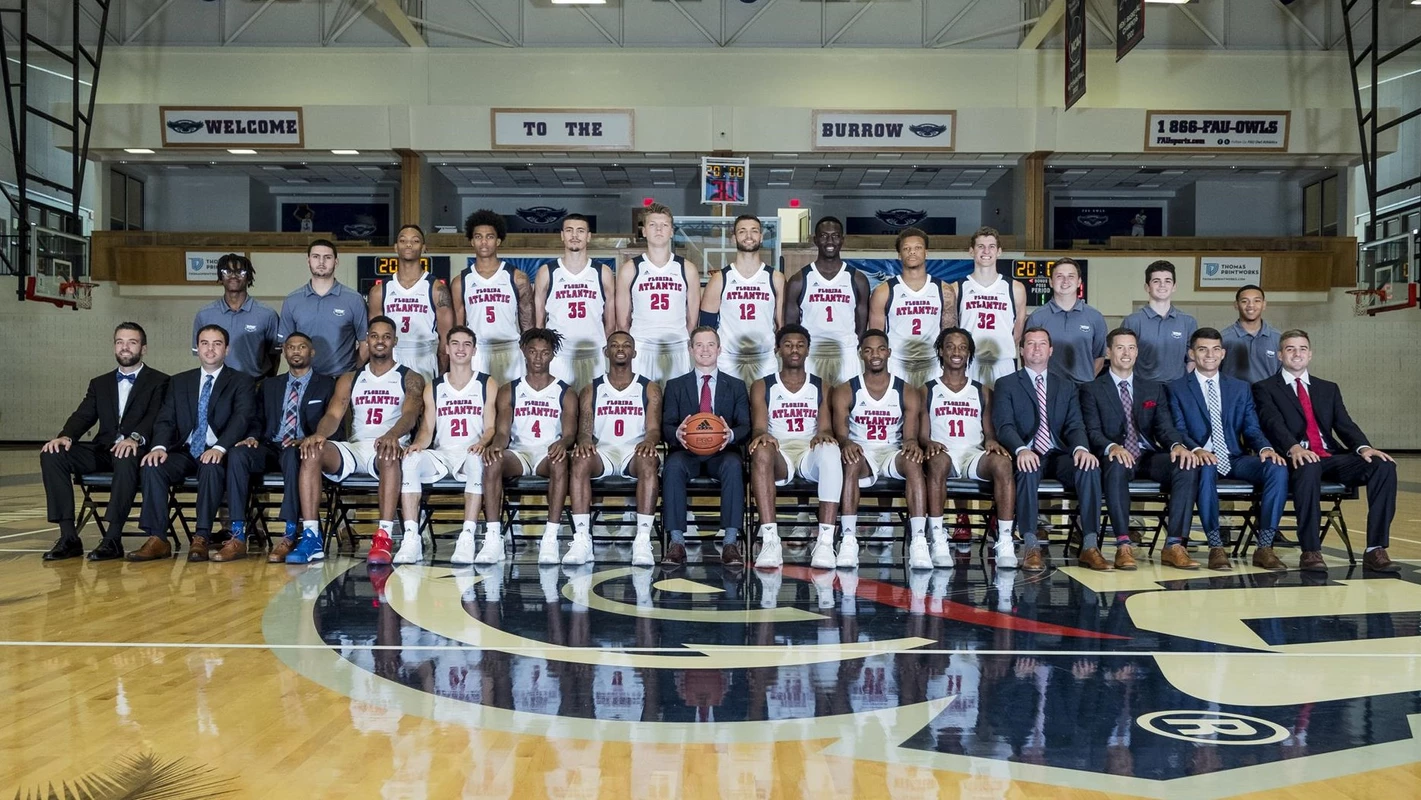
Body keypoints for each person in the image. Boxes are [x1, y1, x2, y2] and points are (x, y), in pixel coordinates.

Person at [1252, 330, 1398, 572]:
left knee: (1383, 466)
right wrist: (1294, 447)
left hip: (1331, 457)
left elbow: (1345, 424)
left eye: (1302, 349)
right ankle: (1311, 551)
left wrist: (1364, 447)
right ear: (1279, 355)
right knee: (1308, 465)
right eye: (1290, 349)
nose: (1296, 353)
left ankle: (1375, 549)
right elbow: (1272, 422)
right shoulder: (1265, 388)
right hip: (1294, 458)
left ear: (1310, 355)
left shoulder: (1327, 388)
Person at [294, 316, 426, 565]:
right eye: (375, 336)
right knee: (312, 452)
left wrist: (392, 435)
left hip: (388, 448)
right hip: (355, 448)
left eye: (386, 337)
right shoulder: (350, 378)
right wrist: (320, 435)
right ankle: (311, 536)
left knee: (388, 453)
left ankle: (384, 536)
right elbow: (334, 414)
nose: (380, 341)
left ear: (394, 341)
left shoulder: (409, 377)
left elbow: (410, 415)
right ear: (367, 340)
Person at [39, 323, 170, 561]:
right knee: (52, 454)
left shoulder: (160, 381)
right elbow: (83, 415)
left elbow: (156, 417)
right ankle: (69, 536)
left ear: (144, 348)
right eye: (120, 342)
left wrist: (134, 438)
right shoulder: (100, 383)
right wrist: (66, 436)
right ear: (114, 347)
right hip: (103, 449)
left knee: (126, 454)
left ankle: (112, 538)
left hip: (137, 451)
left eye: (132, 342)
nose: (125, 347)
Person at [1080, 328, 1200, 571]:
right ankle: (1123, 545)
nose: (1126, 353)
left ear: (1137, 352)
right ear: (1108, 351)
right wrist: (1112, 446)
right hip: (1114, 456)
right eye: (1121, 348)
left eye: (1131, 348)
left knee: (1186, 465)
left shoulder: (1152, 388)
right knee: (1116, 463)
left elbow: (1164, 427)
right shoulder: (1091, 389)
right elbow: (1092, 431)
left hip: (1147, 456)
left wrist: (1177, 446)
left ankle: (1174, 545)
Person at [1168, 328, 1288, 571]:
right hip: (1201, 457)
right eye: (1202, 349)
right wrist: (1197, 449)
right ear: (1192, 353)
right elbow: (1178, 429)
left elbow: (1251, 427)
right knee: (1207, 465)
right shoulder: (1176, 388)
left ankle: (1264, 547)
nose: (1209, 355)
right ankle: (1216, 546)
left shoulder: (1239, 388)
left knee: (1277, 467)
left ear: (1223, 354)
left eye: (1215, 350)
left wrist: (1265, 447)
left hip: (1235, 457)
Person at [134, 325, 256, 563]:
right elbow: (166, 419)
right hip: (184, 451)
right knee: (152, 465)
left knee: (211, 466)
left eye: (217, 344)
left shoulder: (242, 381)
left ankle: (201, 537)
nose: (210, 349)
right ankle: (158, 537)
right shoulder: (179, 381)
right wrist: (158, 447)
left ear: (227, 349)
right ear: (196, 348)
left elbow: (241, 418)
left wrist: (220, 448)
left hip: (218, 451)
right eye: (204, 343)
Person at [990, 328, 1102, 572]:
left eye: (1042, 344)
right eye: (1030, 344)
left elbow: (1075, 425)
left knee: (1089, 466)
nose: (1037, 348)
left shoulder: (1066, 386)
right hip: (1027, 453)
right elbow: (1004, 425)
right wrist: (1020, 449)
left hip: (1058, 454)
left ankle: (1090, 545)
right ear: (1021, 350)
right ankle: (1031, 545)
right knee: (1028, 469)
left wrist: (1081, 448)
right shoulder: (1006, 384)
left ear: (1051, 350)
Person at [228, 332, 336, 563]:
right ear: (284, 352)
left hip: (303, 448)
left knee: (292, 454)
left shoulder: (327, 384)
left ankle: (290, 534)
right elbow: (256, 419)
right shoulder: (269, 385)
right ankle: (237, 533)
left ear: (312, 352)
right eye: (291, 347)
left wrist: (310, 438)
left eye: (302, 347)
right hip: (270, 445)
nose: (296, 351)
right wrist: (251, 437)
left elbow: (332, 423)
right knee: (237, 454)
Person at [477, 328, 578, 565]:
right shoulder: (509, 390)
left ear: (552, 355)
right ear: (524, 351)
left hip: (547, 454)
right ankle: (493, 537)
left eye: (544, 353)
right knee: (492, 461)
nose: (538, 358)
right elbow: (502, 432)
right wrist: (496, 446)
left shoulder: (565, 392)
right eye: (533, 351)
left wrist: (562, 443)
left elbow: (570, 434)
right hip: (519, 453)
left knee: (560, 460)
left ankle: (550, 537)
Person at [398, 325, 497, 565]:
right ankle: (411, 538)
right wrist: (417, 445)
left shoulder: (487, 383)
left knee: (476, 461)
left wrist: (482, 443)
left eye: (466, 344)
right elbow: (427, 430)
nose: (460, 349)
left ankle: (467, 537)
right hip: (442, 454)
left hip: (470, 453)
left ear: (474, 350)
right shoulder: (434, 387)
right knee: (410, 460)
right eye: (455, 343)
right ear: (446, 348)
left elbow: (491, 427)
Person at [746, 324, 842, 570]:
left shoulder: (822, 386)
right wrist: (763, 437)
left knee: (831, 449)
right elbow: (758, 428)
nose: (794, 350)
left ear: (808, 350)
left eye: (800, 345)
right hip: (780, 453)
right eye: (788, 345)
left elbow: (826, 429)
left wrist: (824, 435)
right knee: (761, 447)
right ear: (778, 350)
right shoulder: (763, 385)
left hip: (809, 453)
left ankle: (824, 542)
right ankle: (770, 541)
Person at [831, 330, 928, 570]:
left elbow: (910, 437)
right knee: (850, 460)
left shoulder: (906, 390)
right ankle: (849, 539)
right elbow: (841, 434)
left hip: (891, 453)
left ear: (889, 353)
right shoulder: (846, 389)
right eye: (868, 350)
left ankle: (919, 540)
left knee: (914, 462)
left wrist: (912, 444)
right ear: (860, 354)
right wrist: (846, 443)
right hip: (861, 454)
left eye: (880, 349)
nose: (875, 355)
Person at [921, 328, 1016, 568]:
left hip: (973, 455)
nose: (956, 351)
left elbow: (990, 433)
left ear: (970, 353)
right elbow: (921, 434)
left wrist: (992, 442)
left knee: (1003, 463)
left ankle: (1005, 540)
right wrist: (928, 443)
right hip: (944, 455)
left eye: (963, 347)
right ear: (941, 352)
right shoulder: (927, 389)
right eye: (950, 346)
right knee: (938, 461)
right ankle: (938, 537)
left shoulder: (982, 390)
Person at [660, 327, 752, 569]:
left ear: (719, 349)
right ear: (690, 350)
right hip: (686, 451)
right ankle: (677, 542)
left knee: (734, 465)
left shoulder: (736, 386)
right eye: (699, 345)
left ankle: (731, 543)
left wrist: (730, 434)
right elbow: (666, 425)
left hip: (722, 452)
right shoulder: (675, 385)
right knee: (672, 466)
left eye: (710, 344)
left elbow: (746, 426)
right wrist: (676, 433)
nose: (705, 350)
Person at [569, 331, 663, 567]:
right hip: (605, 452)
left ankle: (642, 540)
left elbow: (653, 429)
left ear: (634, 352)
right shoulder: (591, 389)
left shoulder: (649, 388)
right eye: (614, 345)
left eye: (626, 345)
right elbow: (584, 430)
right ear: (606, 352)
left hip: (635, 451)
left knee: (650, 460)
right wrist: (584, 441)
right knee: (579, 459)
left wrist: (650, 442)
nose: (620, 349)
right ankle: (582, 539)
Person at [616, 203, 701, 385]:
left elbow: (693, 319)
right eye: (653, 225)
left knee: (675, 408)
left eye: (664, 225)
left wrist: (682, 341)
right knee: (644, 405)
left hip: (677, 347)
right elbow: (622, 321)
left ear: (671, 231)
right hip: (642, 347)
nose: (659, 229)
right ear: (644, 231)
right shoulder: (630, 269)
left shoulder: (687, 269)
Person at [700, 214, 784, 387]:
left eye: (754, 231)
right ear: (733, 239)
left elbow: (782, 324)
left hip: (764, 360)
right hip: (729, 359)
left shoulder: (775, 278)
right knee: (728, 413)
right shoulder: (719, 279)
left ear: (761, 238)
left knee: (763, 412)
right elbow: (706, 326)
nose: (748, 236)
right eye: (742, 231)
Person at [784, 216, 869, 386]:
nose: (830, 241)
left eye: (835, 236)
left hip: (846, 353)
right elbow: (791, 325)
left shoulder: (857, 279)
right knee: (814, 408)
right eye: (823, 236)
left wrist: (850, 345)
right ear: (815, 240)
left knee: (846, 408)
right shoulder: (799, 279)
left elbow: (862, 323)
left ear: (842, 240)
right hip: (813, 352)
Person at [535, 213, 615, 390]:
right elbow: (539, 321)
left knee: (591, 410)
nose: (574, 236)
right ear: (562, 236)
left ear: (588, 236)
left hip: (594, 353)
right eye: (569, 230)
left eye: (580, 231)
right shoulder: (547, 272)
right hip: (559, 355)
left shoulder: (602, 272)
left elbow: (610, 322)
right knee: (561, 411)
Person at [453, 209, 532, 384]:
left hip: (510, 349)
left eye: (489, 236)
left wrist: (529, 353)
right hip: (477, 352)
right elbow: (458, 327)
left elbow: (528, 323)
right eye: (478, 236)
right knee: (480, 408)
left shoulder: (517, 278)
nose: (484, 242)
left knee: (509, 407)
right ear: (471, 241)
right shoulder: (461, 281)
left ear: (498, 241)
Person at [367, 224, 454, 381]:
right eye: (403, 240)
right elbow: (374, 338)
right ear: (395, 247)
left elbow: (446, 338)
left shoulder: (437, 289)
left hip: (425, 357)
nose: (408, 244)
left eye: (415, 241)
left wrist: (441, 374)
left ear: (423, 247)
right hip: (392, 356)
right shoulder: (379, 291)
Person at [870, 227, 953, 387]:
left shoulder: (944, 289)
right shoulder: (883, 291)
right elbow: (876, 337)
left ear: (926, 252)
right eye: (907, 249)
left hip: (932, 363)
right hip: (897, 363)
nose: (912, 252)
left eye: (917, 248)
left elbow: (949, 334)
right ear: (899, 255)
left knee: (929, 411)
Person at [950, 226, 1027, 390]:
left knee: (1002, 413)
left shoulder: (1015, 288)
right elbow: (951, 328)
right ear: (971, 251)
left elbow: (1018, 329)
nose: (986, 251)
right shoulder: (957, 288)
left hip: (1003, 362)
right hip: (970, 362)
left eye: (991, 246)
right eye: (980, 246)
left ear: (999, 251)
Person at [279, 239, 370, 378]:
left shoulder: (354, 300)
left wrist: (350, 373)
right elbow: (287, 345)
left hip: (341, 380)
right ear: (308, 261)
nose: (321, 262)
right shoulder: (292, 301)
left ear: (336, 262)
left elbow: (366, 344)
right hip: (305, 380)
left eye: (327, 257)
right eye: (316, 257)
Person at [192, 253, 279, 377]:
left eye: (240, 272)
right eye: (227, 271)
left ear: (248, 277)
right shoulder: (204, 314)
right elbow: (202, 354)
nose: (233, 276)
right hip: (218, 384)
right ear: (220, 276)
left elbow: (274, 355)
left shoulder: (268, 314)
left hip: (255, 384)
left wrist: (267, 384)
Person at [1024, 258, 1105, 384]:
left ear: (1079, 282)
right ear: (1051, 282)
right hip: (1047, 389)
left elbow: (1099, 357)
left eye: (1071, 276)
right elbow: (1027, 355)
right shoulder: (1037, 318)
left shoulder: (1095, 317)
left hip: (1084, 390)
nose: (1065, 281)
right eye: (1059, 276)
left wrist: (1086, 381)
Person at [1121, 260, 1197, 383]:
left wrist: (1181, 380)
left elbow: (1193, 358)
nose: (1162, 285)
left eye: (1168, 281)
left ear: (1174, 286)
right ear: (1147, 287)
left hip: (1176, 388)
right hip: (1144, 389)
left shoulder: (1188, 322)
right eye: (1156, 281)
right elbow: (1123, 358)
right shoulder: (1132, 321)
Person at [1220, 284, 1282, 385]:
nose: (1251, 305)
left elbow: (1283, 374)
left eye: (1257, 301)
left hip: (1267, 398)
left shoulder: (1278, 338)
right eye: (1244, 301)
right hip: (1234, 398)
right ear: (1236, 305)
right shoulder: (1223, 338)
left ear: (1264, 304)